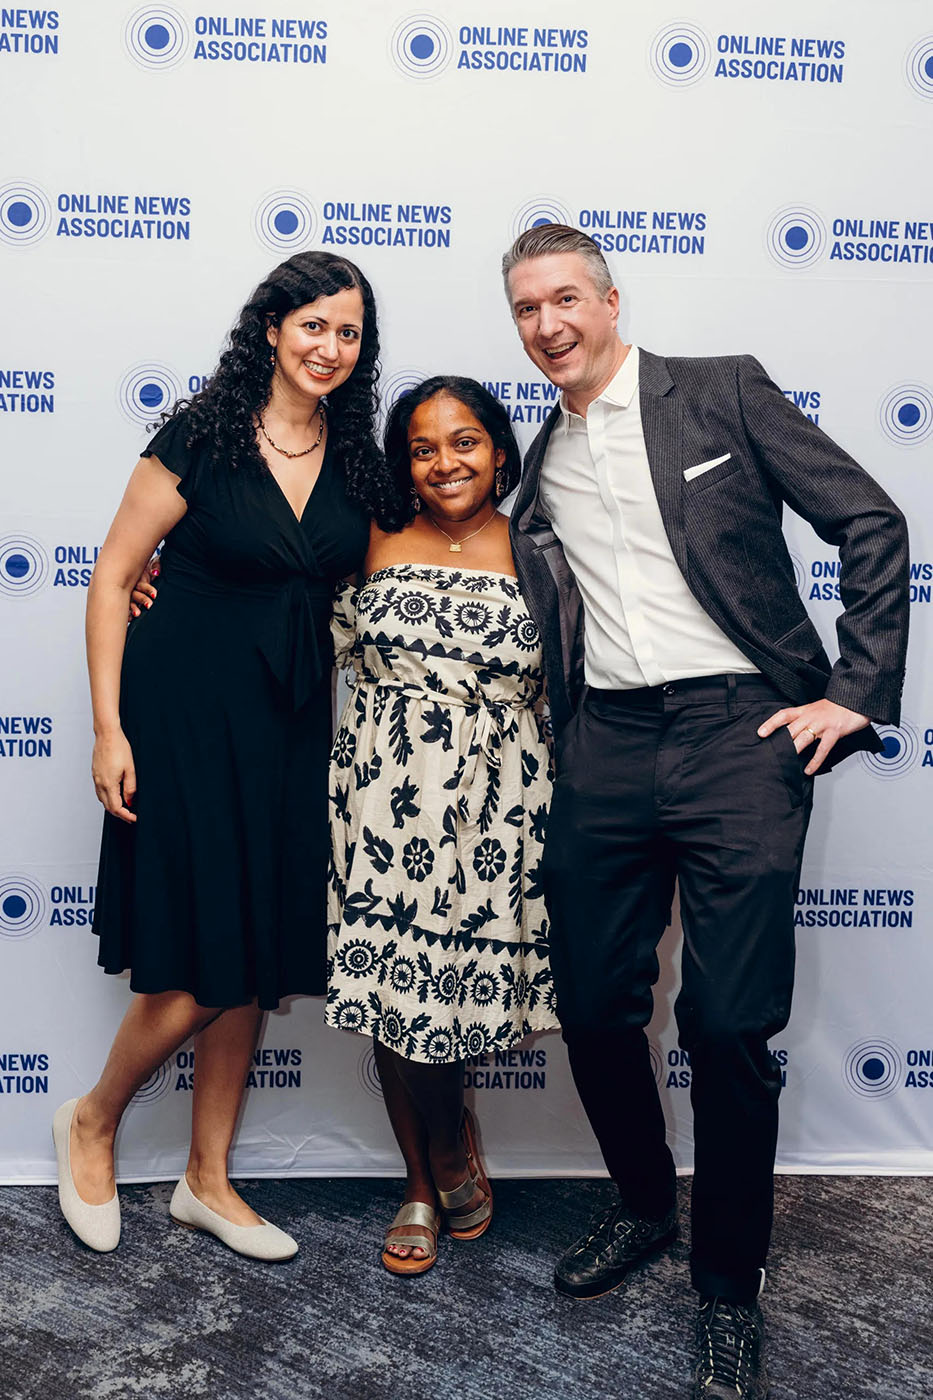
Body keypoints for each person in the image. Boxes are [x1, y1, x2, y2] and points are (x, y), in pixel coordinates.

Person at [502, 225, 909, 1398]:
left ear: (613, 299)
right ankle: (643, 1206)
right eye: (527, 309)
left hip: (742, 731)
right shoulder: (540, 460)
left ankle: (730, 1286)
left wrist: (852, 690)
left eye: (566, 298)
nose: (548, 325)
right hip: (610, 741)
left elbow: (870, 521)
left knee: (729, 1026)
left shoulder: (722, 390)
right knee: (588, 1001)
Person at [54, 251, 396, 1260]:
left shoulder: (359, 459)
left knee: (248, 959)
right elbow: (116, 575)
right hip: (184, 715)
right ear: (271, 330)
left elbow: (375, 590)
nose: (330, 347)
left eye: (348, 331)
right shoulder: (199, 436)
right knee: (207, 958)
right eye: (313, 325)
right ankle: (92, 1116)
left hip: (291, 729)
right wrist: (110, 729)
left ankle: (207, 1178)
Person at [325, 376, 558, 1274]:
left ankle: (452, 1144)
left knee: (451, 998)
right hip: (381, 802)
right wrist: (159, 586)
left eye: (463, 442)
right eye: (422, 448)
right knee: (396, 1000)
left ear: (501, 450)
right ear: (403, 464)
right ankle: (424, 1178)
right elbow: (278, 614)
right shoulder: (372, 538)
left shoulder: (541, 547)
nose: (444, 462)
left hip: (498, 815)